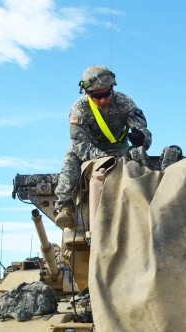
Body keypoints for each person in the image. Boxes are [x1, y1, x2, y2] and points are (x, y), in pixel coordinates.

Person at [54, 65, 153, 229]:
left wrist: (141, 139)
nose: (103, 99)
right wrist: (102, 157)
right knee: (70, 161)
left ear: (112, 88)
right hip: (88, 147)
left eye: (107, 94)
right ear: (87, 93)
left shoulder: (124, 102)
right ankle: (65, 206)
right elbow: (80, 144)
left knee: (137, 161)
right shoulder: (78, 110)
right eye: (97, 96)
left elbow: (144, 131)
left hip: (118, 147)